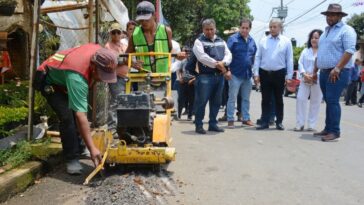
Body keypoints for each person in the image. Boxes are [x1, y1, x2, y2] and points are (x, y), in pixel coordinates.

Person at [36, 43, 117, 174]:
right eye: (101, 75)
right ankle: (71, 158)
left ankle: (79, 148)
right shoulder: (77, 77)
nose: (103, 80)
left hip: (66, 80)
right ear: (93, 67)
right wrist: (93, 148)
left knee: (77, 111)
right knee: (68, 116)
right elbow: (81, 116)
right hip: (50, 83)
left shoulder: (101, 53)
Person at [313, 4, 357, 141]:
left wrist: (337, 68)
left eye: (333, 15)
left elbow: (349, 50)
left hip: (338, 72)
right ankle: (328, 128)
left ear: (339, 16)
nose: (330, 17)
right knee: (328, 100)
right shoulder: (326, 31)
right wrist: (315, 71)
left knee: (332, 100)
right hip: (324, 72)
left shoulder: (346, 30)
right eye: (328, 15)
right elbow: (320, 53)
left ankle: (335, 131)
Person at [191, 18, 232, 134]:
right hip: (205, 77)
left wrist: (223, 63)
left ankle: (213, 124)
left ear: (215, 29)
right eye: (207, 29)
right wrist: (217, 64)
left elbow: (229, 55)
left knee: (216, 102)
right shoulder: (199, 41)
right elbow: (202, 57)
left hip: (219, 77)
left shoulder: (221, 41)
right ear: (203, 29)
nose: (209, 32)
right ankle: (199, 125)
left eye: (211, 29)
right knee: (201, 102)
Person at [253, 18, 294, 130]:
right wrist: (256, 73)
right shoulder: (263, 40)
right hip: (264, 73)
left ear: (280, 28)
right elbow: (258, 57)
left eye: (275, 27)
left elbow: (289, 59)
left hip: (279, 73)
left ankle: (279, 122)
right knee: (265, 99)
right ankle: (264, 121)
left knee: (278, 99)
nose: (272, 29)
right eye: (271, 27)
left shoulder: (286, 41)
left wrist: (289, 76)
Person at [125, 1, 185, 72]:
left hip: (163, 77)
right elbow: (125, 57)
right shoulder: (134, 35)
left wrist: (178, 56)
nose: (143, 22)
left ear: (154, 15)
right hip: (143, 78)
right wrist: (133, 64)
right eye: (141, 20)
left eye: (146, 19)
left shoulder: (166, 31)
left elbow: (170, 50)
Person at [226, 18, 257, 128]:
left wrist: (254, 72)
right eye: (242, 28)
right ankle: (230, 119)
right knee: (232, 98)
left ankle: (246, 118)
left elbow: (254, 57)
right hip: (234, 74)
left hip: (247, 75)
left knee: (246, 99)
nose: (244, 30)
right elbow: (226, 54)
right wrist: (227, 70)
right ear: (239, 28)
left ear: (250, 29)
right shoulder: (232, 39)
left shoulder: (252, 41)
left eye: (246, 28)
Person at [294, 29, 323, 132]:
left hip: (317, 80)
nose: (314, 40)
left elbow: (324, 65)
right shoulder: (305, 51)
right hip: (305, 79)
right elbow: (300, 62)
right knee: (300, 99)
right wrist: (303, 74)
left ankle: (311, 124)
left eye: (316, 37)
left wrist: (315, 75)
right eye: (312, 37)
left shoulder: (323, 51)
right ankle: (299, 124)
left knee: (315, 102)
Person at [105, 23, 128, 137]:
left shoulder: (123, 46)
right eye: (113, 32)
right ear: (110, 33)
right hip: (116, 77)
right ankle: (112, 128)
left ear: (121, 34)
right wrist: (123, 61)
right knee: (116, 101)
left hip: (127, 77)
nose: (116, 35)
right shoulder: (108, 46)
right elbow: (112, 61)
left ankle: (123, 127)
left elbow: (129, 58)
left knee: (126, 102)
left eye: (118, 32)